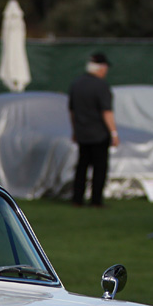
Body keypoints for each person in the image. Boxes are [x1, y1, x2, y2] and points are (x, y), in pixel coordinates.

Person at [68, 52, 119, 208]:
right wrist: (114, 133)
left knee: (82, 166)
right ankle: (96, 200)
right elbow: (106, 112)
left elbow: (72, 112)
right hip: (99, 134)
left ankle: (77, 198)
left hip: (83, 133)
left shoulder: (76, 84)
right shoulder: (101, 86)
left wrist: (75, 131)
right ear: (101, 68)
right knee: (99, 168)